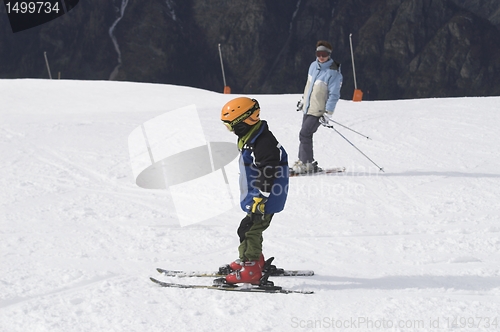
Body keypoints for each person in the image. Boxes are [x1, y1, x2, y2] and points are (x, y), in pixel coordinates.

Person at [219, 97, 289, 285]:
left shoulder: (263, 142)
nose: (231, 130)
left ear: (243, 122)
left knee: (251, 230)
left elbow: (268, 171)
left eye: (231, 125)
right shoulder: (253, 136)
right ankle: (252, 259)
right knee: (246, 228)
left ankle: (251, 270)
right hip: (259, 195)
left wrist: (260, 198)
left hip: (265, 197)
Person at [293, 40, 343, 174]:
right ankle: (304, 161)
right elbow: (308, 86)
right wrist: (303, 100)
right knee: (305, 134)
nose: (321, 56)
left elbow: (334, 95)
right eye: (319, 53)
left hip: (319, 111)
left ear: (329, 54)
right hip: (309, 107)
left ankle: (306, 163)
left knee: (305, 133)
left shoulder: (333, 73)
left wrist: (327, 114)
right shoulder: (313, 66)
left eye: (324, 54)